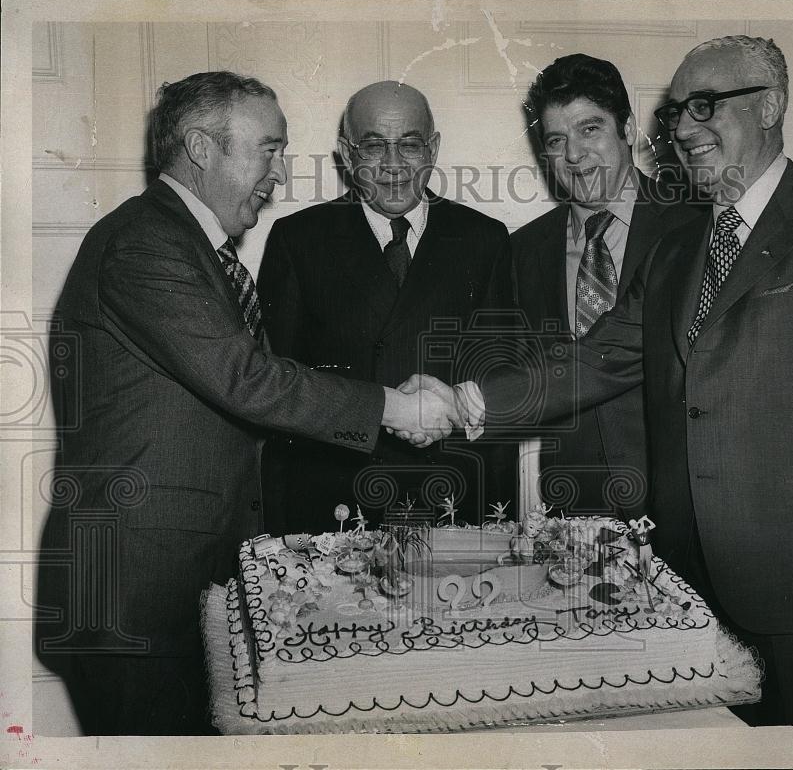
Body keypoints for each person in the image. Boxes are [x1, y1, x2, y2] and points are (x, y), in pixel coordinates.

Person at [398, 36, 793, 726]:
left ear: (771, 105)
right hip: (686, 582)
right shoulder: (681, 244)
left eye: (704, 106)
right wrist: (464, 402)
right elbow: (599, 357)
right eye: (677, 110)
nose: (681, 128)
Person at [34, 71, 452, 736]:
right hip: (134, 601)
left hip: (168, 588)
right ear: (202, 149)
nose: (280, 174)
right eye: (269, 149)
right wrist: (393, 409)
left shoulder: (187, 244)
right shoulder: (146, 242)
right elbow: (247, 379)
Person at [256, 81, 514, 534]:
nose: (393, 165)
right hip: (332, 500)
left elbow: (503, 375)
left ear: (433, 148)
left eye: (410, 145)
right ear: (346, 153)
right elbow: (279, 384)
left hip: (454, 500)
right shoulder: (298, 240)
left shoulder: (484, 239)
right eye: (373, 146)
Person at [512, 54, 703, 516]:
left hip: (684, 503)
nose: (574, 155)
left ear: (629, 128)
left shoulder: (695, 227)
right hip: (571, 506)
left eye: (590, 129)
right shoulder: (521, 250)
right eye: (556, 139)